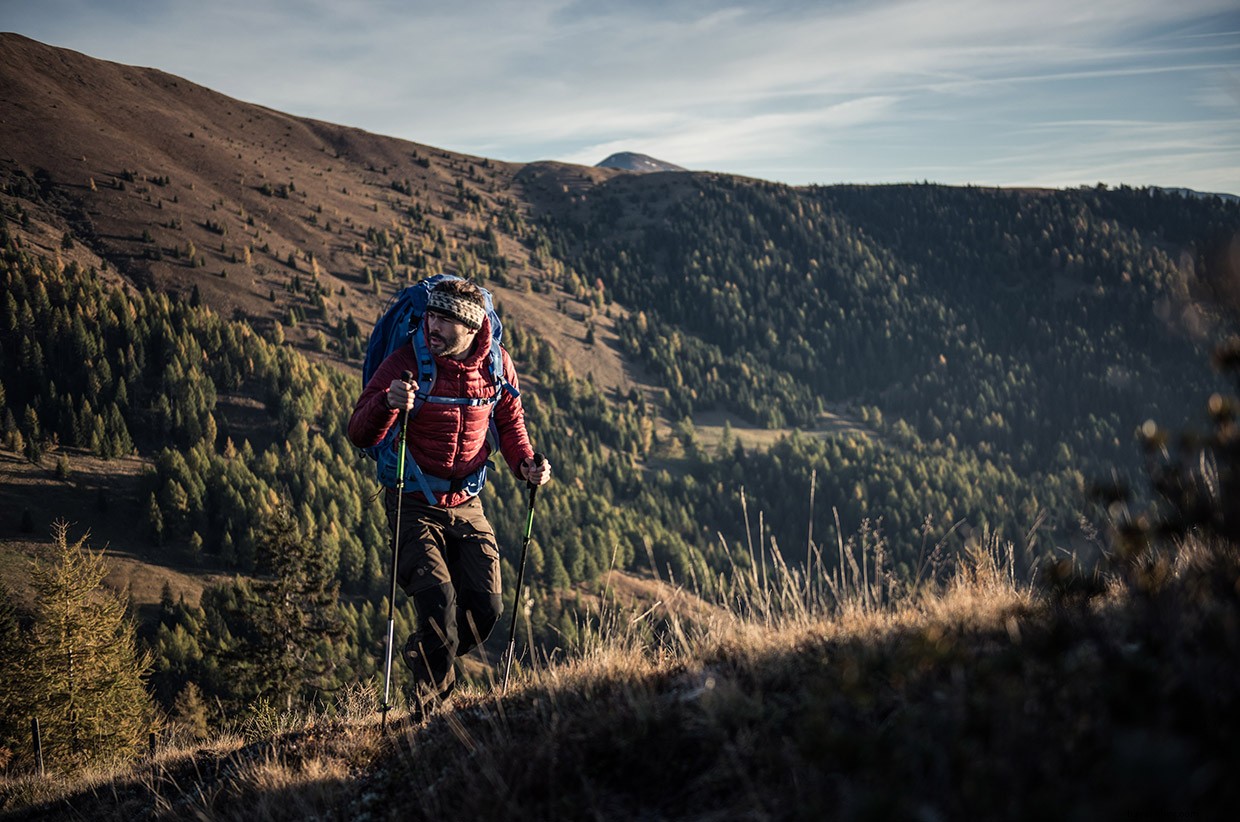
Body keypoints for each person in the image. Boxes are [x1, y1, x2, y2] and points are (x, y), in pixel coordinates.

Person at [348, 278, 551, 711]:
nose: (432, 325)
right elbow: (358, 431)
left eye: (444, 319)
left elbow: (510, 423)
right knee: (438, 609)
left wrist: (527, 464)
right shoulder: (406, 361)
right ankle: (430, 717)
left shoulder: (496, 365)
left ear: (473, 327)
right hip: (413, 502)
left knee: (486, 609)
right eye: (431, 316)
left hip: (468, 502)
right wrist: (388, 402)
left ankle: (425, 651)